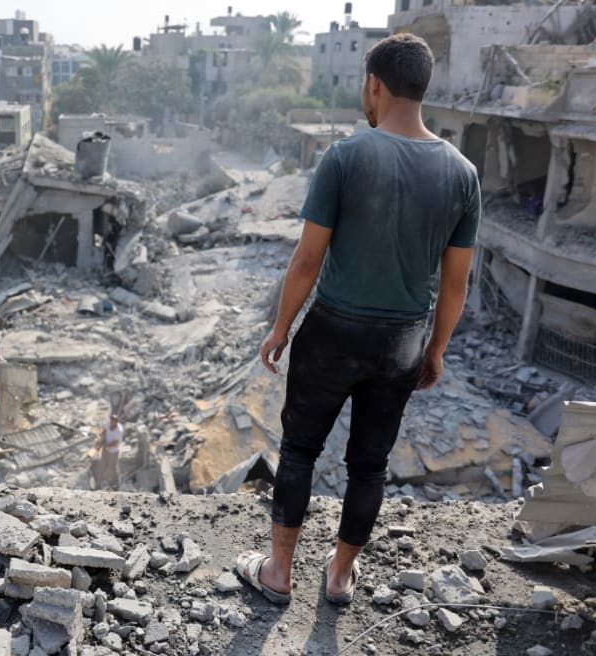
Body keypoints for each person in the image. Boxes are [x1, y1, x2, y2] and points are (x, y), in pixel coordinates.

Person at [235, 34, 480, 606]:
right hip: (402, 340)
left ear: (374, 83)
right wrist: (436, 349)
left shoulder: (346, 156)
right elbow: (456, 282)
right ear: (423, 86)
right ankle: (340, 576)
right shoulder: (462, 173)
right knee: (369, 465)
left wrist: (279, 329)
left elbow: (306, 260)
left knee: (299, 451)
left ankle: (278, 572)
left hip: (334, 332)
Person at [95, 414, 123, 490]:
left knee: (113, 468)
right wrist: (99, 439)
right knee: (101, 467)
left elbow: (114, 443)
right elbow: (104, 431)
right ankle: (98, 485)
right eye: (111, 421)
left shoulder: (119, 430)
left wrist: (102, 445)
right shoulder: (108, 424)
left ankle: (116, 484)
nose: (111, 422)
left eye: (113, 421)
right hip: (105, 451)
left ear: (116, 422)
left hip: (113, 452)